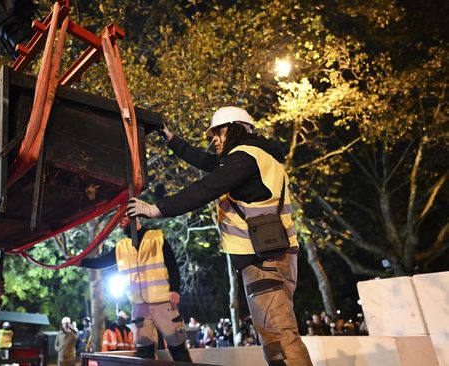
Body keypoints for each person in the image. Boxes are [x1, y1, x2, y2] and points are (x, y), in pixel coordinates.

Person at [127, 106, 312, 366]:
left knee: (280, 334)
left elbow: (206, 188)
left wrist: (155, 209)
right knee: (271, 334)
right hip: (271, 255)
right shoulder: (254, 157)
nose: (214, 138)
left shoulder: (246, 158)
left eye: (219, 132)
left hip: (263, 260)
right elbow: (207, 163)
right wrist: (171, 139)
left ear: (237, 129)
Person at [80, 217, 192, 362]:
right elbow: (102, 261)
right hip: (139, 306)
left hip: (162, 302)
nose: (120, 224)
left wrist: (175, 289)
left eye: (123, 220)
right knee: (144, 350)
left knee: (177, 346)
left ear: (135, 219)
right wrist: (82, 262)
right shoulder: (122, 246)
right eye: (119, 222)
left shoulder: (156, 237)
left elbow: (172, 264)